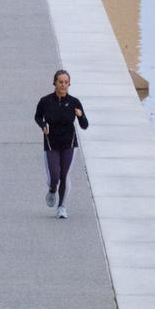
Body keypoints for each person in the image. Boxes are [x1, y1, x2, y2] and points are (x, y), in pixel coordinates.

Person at [34, 70, 89, 219]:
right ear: (55, 83)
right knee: (54, 178)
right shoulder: (45, 101)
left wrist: (80, 116)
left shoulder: (74, 102)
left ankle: (62, 207)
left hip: (69, 144)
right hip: (51, 144)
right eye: (60, 82)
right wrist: (43, 125)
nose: (63, 85)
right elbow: (37, 116)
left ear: (69, 84)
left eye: (66, 82)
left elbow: (85, 125)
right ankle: (53, 190)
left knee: (65, 175)